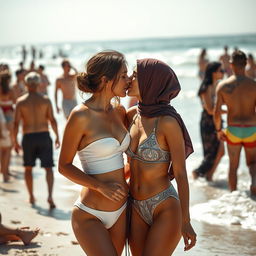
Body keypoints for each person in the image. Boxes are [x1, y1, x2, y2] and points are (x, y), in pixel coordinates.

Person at [58, 51, 130, 255]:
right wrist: (100, 186)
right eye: (123, 76)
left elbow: (119, 159)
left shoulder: (119, 111)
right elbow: (64, 166)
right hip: (90, 213)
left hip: (122, 209)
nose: (128, 80)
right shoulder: (81, 115)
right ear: (106, 80)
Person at [126, 58, 196, 255]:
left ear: (151, 81)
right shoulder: (131, 115)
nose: (130, 79)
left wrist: (186, 221)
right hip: (135, 205)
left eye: (136, 75)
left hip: (164, 206)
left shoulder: (168, 122)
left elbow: (181, 174)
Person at [13, 72, 60, 208]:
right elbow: (52, 120)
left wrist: (15, 141)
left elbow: (16, 124)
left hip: (28, 137)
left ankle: (31, 196)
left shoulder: (21, 101)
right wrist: (57, 136)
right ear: (39, 84)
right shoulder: (45, 100)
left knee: (28, 168)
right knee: (48, 168)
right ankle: (50, 196)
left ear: (26, 84)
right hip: (44, 136)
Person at [214, 50, 256, 196]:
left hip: (233, 130)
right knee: (252, 163)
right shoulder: (254, 85)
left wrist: (219, 130)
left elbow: (217, 112)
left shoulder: (223, 86)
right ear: (246, 64)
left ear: (231, 64)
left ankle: (233, 196)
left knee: (233, 165)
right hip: (251, 129)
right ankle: (255, 183)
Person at [192, 62, 225, 181]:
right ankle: (197, 173)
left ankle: (209, 175)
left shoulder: (217, 86)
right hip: (208, 123)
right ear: (214, 72)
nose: (223, 73)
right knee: (212, 153)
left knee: (220, 151)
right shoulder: (205, 88)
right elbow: (210, 110)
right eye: (221, 70)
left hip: (217, 121)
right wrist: (229, 112)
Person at [0, 107, 12, 182]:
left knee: (2, 152)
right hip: (2, 134)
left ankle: (4, 171)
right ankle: (5, 174)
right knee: (7, 151)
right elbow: (1, 122)